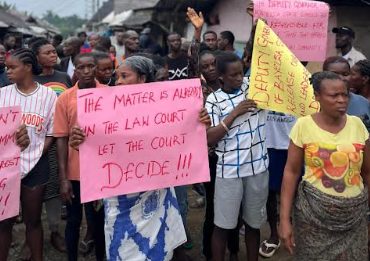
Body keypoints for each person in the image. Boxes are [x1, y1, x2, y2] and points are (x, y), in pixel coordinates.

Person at [68, 55, 210, 261]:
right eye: (117, 77)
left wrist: (200, 123)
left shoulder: (166, 107)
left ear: (142, 79)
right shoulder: (103, 108)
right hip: (119, 196)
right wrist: (79, 143)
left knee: (160, 248)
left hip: (156, 190)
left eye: (125, 76)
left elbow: (182, 138)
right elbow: (96, 151)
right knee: (124, 250)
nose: (118, 82)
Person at [279, 71, 370, 260]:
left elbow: (367, 172)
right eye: (333, 95)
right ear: (317, 97)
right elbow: (291, 172)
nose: (341, 100)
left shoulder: (358, 126)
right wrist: (284, 220)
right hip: (312, 216)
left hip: (354, 217)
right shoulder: (303, 126)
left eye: (344, 94)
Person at [206, 52, 268, 261]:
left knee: (253, 224)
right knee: (222, 226)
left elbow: (262, 55)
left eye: (241, 72)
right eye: (233, 75)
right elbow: (209, 138)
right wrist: (234, 113)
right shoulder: (213, 100)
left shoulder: (254, 87)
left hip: (258, 168)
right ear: (221, 76)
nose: (240, 78)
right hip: (229, 170)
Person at [0, 48, 57, 261]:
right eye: (6, 68)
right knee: (4, 221)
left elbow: (51, 132)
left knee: (32, 220)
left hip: (36, 165)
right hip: (6, 166)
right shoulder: (2, 94)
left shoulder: (48, 95)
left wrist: (38, 152)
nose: (8, 71)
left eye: (12, 67)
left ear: (28, 67)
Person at [20, 39, 71, 256]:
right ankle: (29, 236)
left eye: (53, 51)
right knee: (30, 192)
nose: (53, 55)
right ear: (36, 57)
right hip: (32, 146)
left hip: (58, 143)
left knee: (54, 191)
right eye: (47, 52)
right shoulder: (30, 80)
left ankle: (53, 231)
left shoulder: (64, 77)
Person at [54, 52, 105, 261]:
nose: (86, 71)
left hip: (102, 171)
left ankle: (101, 257)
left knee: (99, 221)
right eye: (81, 68)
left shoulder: (109, 94)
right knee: (74, 221)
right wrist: (63, 179)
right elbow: (60, 139)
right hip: (75, 172)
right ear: (74, 70)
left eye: (90, 67)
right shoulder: (65, 98)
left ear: (96, 68)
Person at [199, 50, 240, 261]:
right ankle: (210, 253)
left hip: (235, 157)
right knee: (214, 211)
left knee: (235, 208)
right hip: (211, 158)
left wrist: (255, 28)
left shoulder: (237, 88)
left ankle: (234, 250)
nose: (210, 68)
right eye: (204, 66)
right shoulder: (199, 92)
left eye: (213, 64)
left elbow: (249, 60)